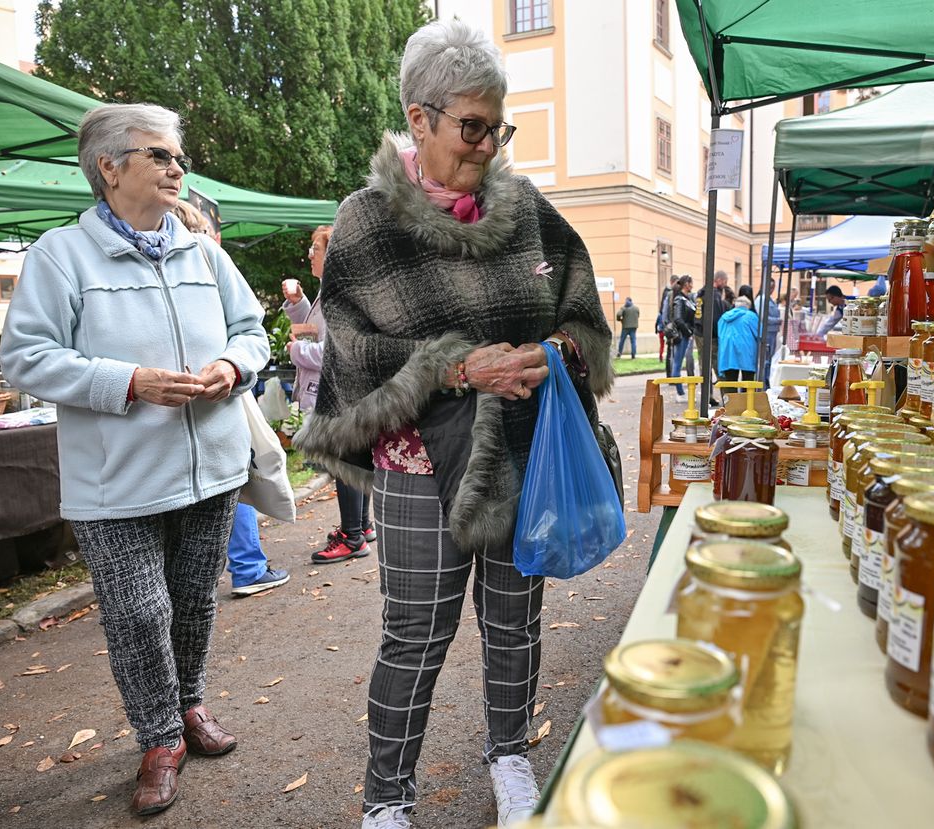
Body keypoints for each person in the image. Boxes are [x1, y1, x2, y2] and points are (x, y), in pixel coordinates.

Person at [293, 20, 613, 829]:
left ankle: (511, 758)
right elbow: (358, 349)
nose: (487, 146)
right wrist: (460, 366)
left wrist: (555, 350)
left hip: (519, 453)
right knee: (415, 634)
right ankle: (388, 799)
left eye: (497, 127)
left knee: (515, 619)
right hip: (416, 468)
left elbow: (583, 310)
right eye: (472, 126)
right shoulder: (367, 220)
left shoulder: (528, 207)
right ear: (420, 117)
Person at [0, 103, 269, 816]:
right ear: (109, 167)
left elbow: (253, 331)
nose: (178, 167)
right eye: (159, 154)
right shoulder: (61, 255)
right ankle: (158, 738)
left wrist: (229, 366)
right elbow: (27, 357)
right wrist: (127, 381)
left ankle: (188, 705)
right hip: (114, 481)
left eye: (178, 155)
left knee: (193, 603)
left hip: (209, 466)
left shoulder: (204, 252)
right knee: (139, 612)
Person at [172, 201, 289, 599]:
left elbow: (249, 331)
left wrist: (233, 365)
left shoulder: (210, 269)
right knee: (232, 477)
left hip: (217, 395)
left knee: (228, 479)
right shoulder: (199, 267)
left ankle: (243, 566)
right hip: (205, 410)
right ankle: (248, 566)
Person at [283, 226, 376, 560]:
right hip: (347, 391)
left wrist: (295, 352)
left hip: (338, 391)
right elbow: (315, 329)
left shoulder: (340, 295)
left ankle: (352, 537)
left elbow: (332, 351)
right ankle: (361, 525)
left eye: (315, 250)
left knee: (343, 462)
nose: (310, 255)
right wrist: (297, 305)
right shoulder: (336, 290)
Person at [694, 270, 729, 384]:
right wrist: (718, 335)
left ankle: (707, 396)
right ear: (719, 280)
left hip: (699, 333)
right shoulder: (715, 295)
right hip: (711, 335)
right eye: (724, 282)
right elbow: (716, 318)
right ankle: (726, 395)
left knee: (704, 366)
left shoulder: (701, 293)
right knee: (717, 364)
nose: (725, 285)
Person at [667, 274, 697, 400]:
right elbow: (678, 319)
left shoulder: (685, 298)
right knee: (677, 364)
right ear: (686, 284)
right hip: (682, 335)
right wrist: (688, 332)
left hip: (684, 334)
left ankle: (681, 393)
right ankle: (680, 393)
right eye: (691, 283)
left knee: (678, 363)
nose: (692, 285)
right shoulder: (680, 299)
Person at [718, 295, 760, 383]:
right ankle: (747, 397)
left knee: (730, 381)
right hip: (747, 351)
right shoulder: (751, 316)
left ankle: (731, 397)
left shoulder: (724, 317)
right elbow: (759, 334)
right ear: (748, 306)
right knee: (748, 381)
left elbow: (719, 334)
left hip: (727, 350)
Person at [657, 274, 678, 362]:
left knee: (670, 348)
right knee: (670, 348)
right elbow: (664, 311)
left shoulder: (668, 292)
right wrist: (666, 324)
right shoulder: (669, 293)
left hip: (667, 324)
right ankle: (670, 370)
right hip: (669, 324)